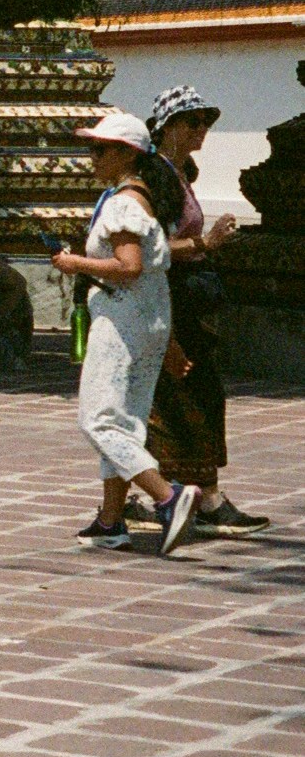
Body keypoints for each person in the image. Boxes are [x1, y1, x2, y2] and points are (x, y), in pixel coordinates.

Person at [56, 110, 199, 556]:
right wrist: (168, 340)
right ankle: (110, 518)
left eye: (100, 150)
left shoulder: (122, 204)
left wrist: (75, 263)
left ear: (127, 154)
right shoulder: (148, 200)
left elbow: (129, 267)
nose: (92, 158)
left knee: (98, 419)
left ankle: (167, 495)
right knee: (126, 422)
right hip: (149, 320)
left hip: (122, 321)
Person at [128, 88, 266, 538]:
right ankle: (193, 496)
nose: (202, 130)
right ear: (168, 126)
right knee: (184, 396)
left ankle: (188, 493)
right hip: (168, 299)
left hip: (189, 301)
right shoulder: (155, 179)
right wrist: (205, 243)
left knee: (191, 395)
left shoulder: (180, 174)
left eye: (206, 121)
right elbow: (150, 248)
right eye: (192, 121)